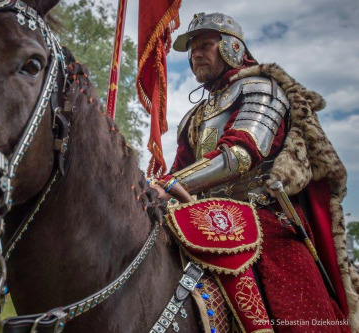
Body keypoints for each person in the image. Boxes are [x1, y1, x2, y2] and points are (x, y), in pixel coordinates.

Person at [152, 12, 359, 333]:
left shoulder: (261, 89)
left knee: (301, 316)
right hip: (203, 218)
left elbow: (241, 154)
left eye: (205, 45)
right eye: (192, 49)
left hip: (263, 219)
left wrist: (172, 183)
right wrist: (155, 187)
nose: (195, 54)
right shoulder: (196, 115)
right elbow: (178, 168)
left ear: (233, 48)